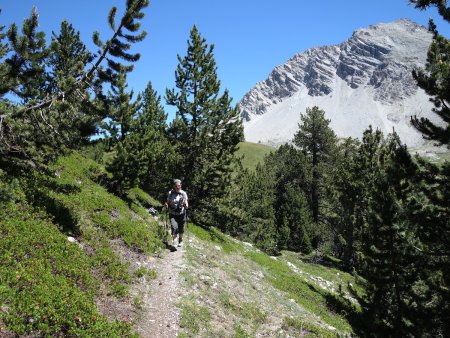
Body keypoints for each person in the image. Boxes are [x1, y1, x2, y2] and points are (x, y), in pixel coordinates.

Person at [165, 179, 188, 247]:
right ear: (174, 186)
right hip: (172, 213)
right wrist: (166, 205)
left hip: (181, 213)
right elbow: (167, 202)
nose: (178, 187)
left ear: (181, 185)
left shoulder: (183, 193)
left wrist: (186, 205)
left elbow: (186, 202)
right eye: (177, 186)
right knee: (174, 227)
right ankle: (174, 243)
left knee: (181, 228)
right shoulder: (170, 193)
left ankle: (180, 240)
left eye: (179, 185)